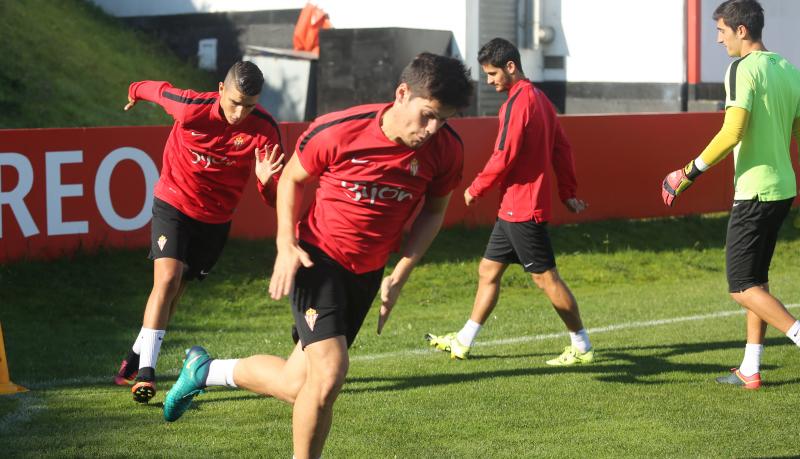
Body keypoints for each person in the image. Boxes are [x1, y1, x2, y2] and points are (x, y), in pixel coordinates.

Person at [162, 53, 473, 459]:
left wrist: (401, 272)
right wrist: (286, 244)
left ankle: (205, 371)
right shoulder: (340, 130)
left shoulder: (446, 150)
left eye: (444, 120)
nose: (433, 129)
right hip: (317, 260)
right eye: (428, 115)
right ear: (401, 94)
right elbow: (292, 178)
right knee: (329, 375)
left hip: (365, 273)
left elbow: (434, 211)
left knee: (297, 384)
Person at [112, 61, 285, 403]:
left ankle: (132, 359)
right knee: (166, 279)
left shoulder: (265, 129)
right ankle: (146, 372)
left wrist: (267, 184)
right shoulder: (191, 108)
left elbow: (275, 197)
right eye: (234, 102)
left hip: (215, 219)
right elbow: (157, 89)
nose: (239, 113)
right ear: (220, 89)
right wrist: (134, 92)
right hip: (173, 202)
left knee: (176, 291)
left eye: (248, 106)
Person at [426, 38, 593, 365]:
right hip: (514, 208)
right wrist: (568, 193)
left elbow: (504, 154)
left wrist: (476, 187)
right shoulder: (542, 100)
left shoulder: (518, 104)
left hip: (523, 208)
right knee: (488, 270)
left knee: (546, 279)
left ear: (511, 67)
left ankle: (582, 345)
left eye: (492, 74)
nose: (489, 81)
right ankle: (463, 341)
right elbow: (562, 149)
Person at [662, 0, 800, 390]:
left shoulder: (741, 69)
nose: (718, 39)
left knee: (741, 286)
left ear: (742, 30)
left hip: (754, 192)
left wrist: (686, 174)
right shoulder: (789, 68)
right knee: (756, 280)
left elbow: (731, 132)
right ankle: (750, 368)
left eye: (721, 31)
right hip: (783, 189)